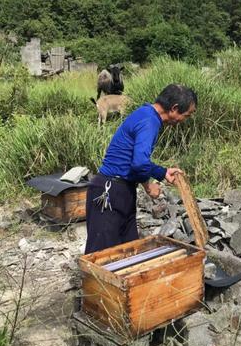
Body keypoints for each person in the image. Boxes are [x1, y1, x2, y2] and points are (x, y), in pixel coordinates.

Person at [84, 84, 197, 254]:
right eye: (186, 115)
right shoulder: (150, 122)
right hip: (110, 192)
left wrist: (163, 172)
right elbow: (139, 164)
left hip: (121, 190)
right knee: (101, 256)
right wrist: (149, 186)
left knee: (127, 252)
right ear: (174, 108)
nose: (184, 121)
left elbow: (133, 158)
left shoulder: (145, 114)